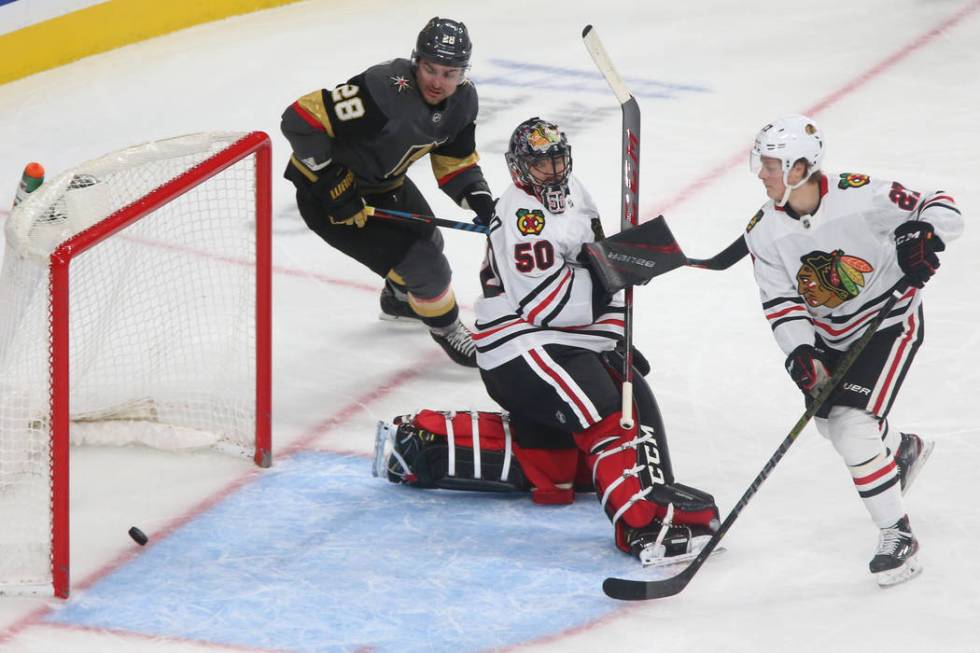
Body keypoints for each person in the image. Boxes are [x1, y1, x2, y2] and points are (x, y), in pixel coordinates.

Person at [374, 118, 719, 566]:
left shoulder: (578, 195)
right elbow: (546, 303)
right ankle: (641, 525)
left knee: (575, 461)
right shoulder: (521, 214)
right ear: (520, 168)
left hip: (570, 340)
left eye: (557, 160)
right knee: (609, 414)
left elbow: (605, 273)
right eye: (541, 165)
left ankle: (429, 444)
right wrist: (616, 269)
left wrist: (613, 334)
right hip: (520, 345)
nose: (553, 171)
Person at [743, 114, 963, 586]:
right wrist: (800, 351)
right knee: (833, 427)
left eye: (770, 164)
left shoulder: (861, 195)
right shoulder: (762, 232)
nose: (760, 173)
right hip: (829, 337)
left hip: (889, 323)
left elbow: (940, 205)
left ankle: (898, 537)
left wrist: (926, 233)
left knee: (852, 426)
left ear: (800, 168)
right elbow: (780, 302)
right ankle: (899, 452)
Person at [280, 17, 495, 367]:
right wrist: (330, 178)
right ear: (416, 61)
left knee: (431, 241)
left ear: (463, 73)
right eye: (431, 69)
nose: (439, 82)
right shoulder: (382, 91)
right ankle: (447, 329)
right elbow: (299, 119)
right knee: (428, 269)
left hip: (384, 186)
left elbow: (455, 162)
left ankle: (398, 300)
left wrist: (482, 202)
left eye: (449, 73)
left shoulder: (463, 102)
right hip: (330, 201)